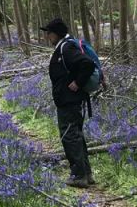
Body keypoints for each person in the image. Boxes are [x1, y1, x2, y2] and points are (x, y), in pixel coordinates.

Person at [40, 17, 97, 188]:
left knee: (69, 136)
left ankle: (79, 176)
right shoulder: (64, 47)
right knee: (76, 135)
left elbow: (87, 64)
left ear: (56, 34)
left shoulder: (66, 48)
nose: (47, 36)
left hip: (69, 101)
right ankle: (86, 173)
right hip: (69, 100)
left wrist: (78, 83)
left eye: (49, 33)